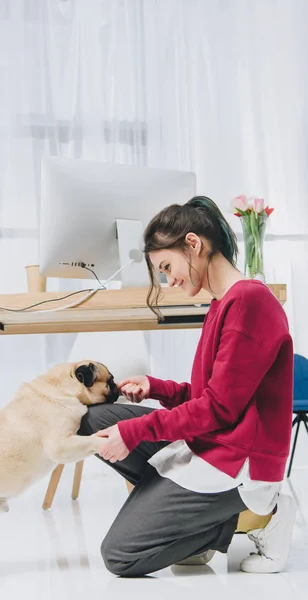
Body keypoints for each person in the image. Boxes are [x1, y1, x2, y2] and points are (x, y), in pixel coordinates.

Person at [78, 196, 295, 577]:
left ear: (193, 244)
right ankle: (187, 521)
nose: (168, 280)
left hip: (238, 460)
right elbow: (209, 396)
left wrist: (135, 430)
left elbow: (218, 410)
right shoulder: (222, 304)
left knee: (121, 555)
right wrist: (156, 387)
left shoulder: (249, 301)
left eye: (167, 266)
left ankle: (261, 519)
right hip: (214, 440)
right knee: (92, 419)